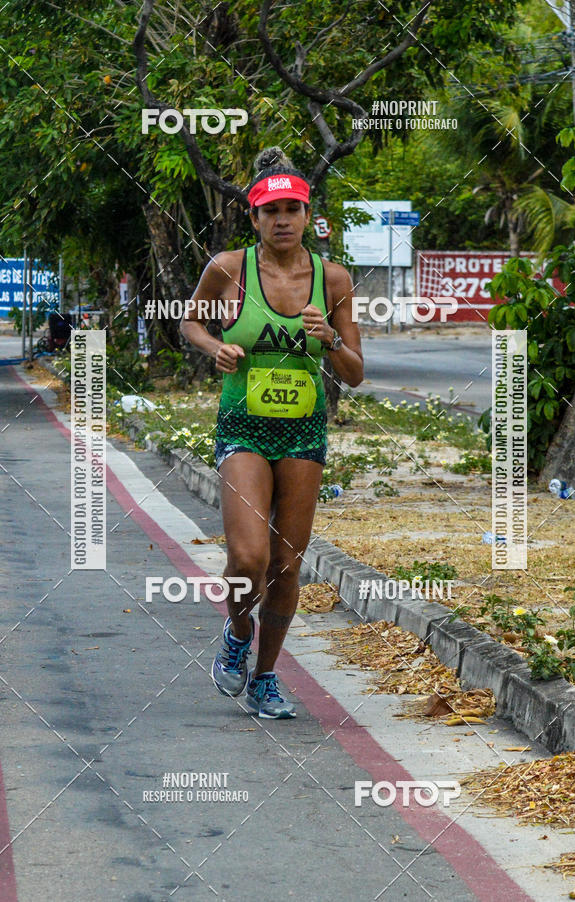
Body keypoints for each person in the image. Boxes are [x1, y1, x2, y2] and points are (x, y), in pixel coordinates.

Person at [181, 147, 363, 719]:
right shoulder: (229, 269)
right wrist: (217, 347)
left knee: (287, 564)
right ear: (253, 218)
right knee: (249, 556)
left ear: (308, 215)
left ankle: (265, 677)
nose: (282, 219)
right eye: (270, 210)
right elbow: (190, 321)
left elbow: (355, 372)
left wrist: (330, 340)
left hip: (304, 431)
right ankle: (237, 634)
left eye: (293, 208)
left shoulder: (332, 279)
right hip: (242, 426)